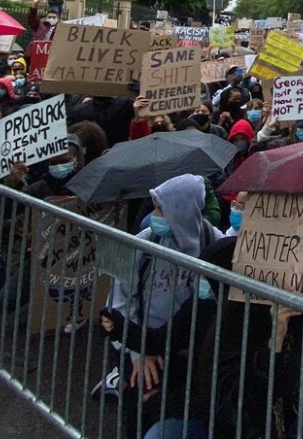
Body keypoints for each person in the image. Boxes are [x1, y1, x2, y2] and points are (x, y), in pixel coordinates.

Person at [101, 174, 223, 439]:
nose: (153, 215)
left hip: (194, 357)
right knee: (140, 415)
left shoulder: (213, 242)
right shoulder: (141, 243)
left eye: (160, 208)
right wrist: (137, 352)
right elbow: (119, 301)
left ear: (181, 211)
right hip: (145, 351)